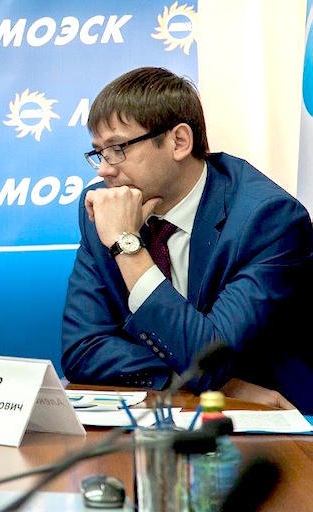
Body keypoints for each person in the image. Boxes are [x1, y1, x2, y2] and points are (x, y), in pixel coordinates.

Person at [61, 67, 313, 411]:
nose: (105, 169)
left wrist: (127, 246)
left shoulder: (268, 220)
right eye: (99, 153)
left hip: (274, 425)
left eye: (117, 148)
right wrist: (215, 384)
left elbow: (209, 357)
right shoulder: (104, 209)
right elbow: (82, 348)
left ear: (179, 141)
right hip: (181, 412)